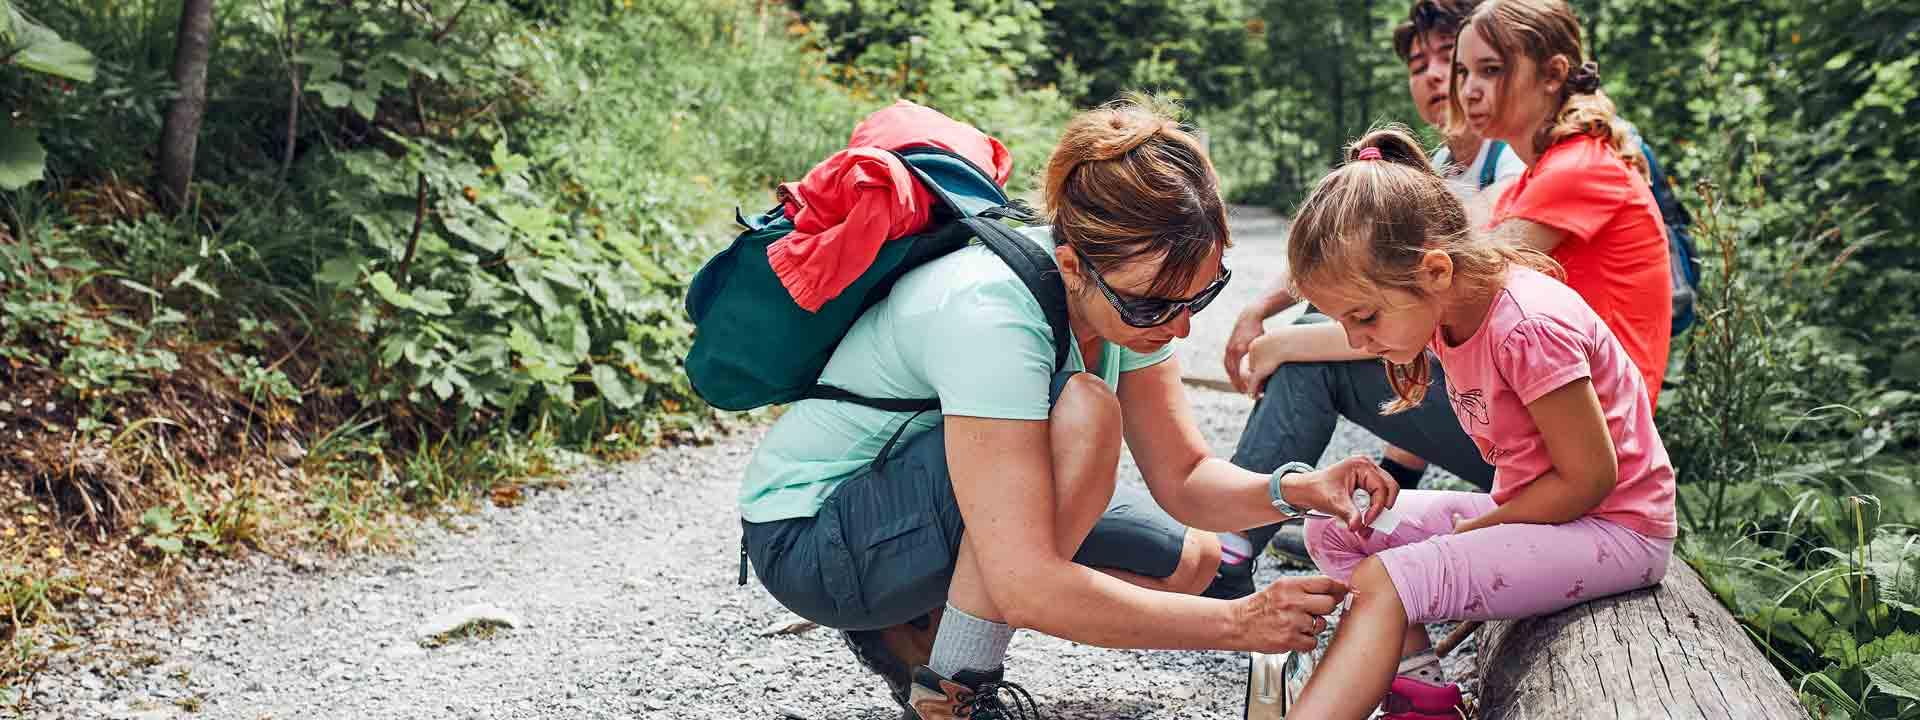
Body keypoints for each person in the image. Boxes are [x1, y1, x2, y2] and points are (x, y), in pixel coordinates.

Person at [739, 96, 1400, 720]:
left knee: (1194, 562)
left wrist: (1297, 490)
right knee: (1085, 413)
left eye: (1199, 297)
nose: (1179, 330)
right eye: (1155, 305)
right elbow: (1025, 583)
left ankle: (927, 618)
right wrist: (1241, 624)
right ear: (1072, 264)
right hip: (812, 538)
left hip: (908, 500)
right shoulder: (990, 313)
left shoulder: (1130, 300)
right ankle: (955, 685)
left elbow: (1187, 479)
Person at [1279, 127, 1676, 720]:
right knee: (1336, 527)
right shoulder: (1447, 310)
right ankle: (1425, 699)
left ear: (1436, 270)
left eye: (1363, 317)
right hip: (1546, 515)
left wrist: (1474, 534)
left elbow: (1590, 477)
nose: (1358, 340)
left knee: (1390, 576)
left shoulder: (1526, 326)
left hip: (1617, 531)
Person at [1224, 0, 1521, 565]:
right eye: (1419, 64)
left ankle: (1230, 548)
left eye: (1452, 60)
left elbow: (1442, 301)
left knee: (1313, 354)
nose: (1436, 75)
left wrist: (1282, 342)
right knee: (1327, 329)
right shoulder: (1444, 164)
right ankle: (1246, 533)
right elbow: (1359, 265)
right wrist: (1261, 308)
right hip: (1493, 404)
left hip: (1547, 430)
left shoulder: (1513, 164)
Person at [1453, 0, 1672, 398]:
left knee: (1330, 367)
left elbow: (1458, 288)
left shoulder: (1579, 167)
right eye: (1463, 72)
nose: (1468, 91)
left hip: (1600, 428)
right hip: (1558, 400)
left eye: (1491, 70)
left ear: (1553, 74)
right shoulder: (1538, 177)